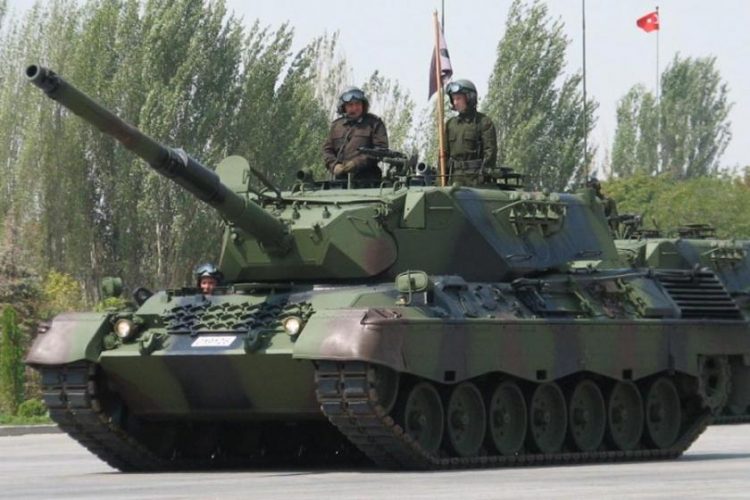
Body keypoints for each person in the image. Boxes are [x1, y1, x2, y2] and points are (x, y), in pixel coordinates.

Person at [323, 86, 388, 182]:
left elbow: (381, 150)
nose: (355, 108)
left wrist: (356, 163)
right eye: (350, 105)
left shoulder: (374, 123)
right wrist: (334, 165)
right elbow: (327, 150)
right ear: (343, 107)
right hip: (340, 182)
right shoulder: (336, 126)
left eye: (358, 104)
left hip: (368, 181)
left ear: (363, 105)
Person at [444, 79, 497, 186]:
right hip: (454, 179)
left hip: (475, 180)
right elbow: (443, 155)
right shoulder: (450, 125)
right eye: (453, 99)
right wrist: (441, 181)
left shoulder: (483, 122)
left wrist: (483, 177)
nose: (455, 102)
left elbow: (490, 152)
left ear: (470, 98)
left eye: (458, 98)